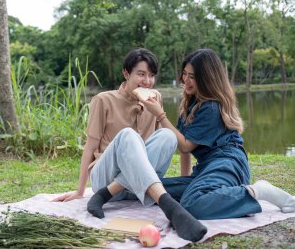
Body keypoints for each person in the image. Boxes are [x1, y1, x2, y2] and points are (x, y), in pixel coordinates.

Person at [52, 48, 207, 242]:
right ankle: (169, 206)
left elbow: (159, 143)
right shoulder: (103, 100)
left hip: (138, 187)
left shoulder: (155, 98)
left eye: (151, 76)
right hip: (104, 178)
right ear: (126, 73)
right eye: (141, 74)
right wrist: (80, 191)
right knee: (128, 135)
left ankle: (105, 196)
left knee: (168, 135)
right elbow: (90, 148)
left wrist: (156, 110)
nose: (147, 81)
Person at [138, 48, 295, 220]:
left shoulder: (211, 107)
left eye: (193, 76)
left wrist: (159, 114)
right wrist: (187, 181)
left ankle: (258, 191)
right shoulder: (191, 103)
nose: (186, 80)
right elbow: (185, 148)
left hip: (227, 164)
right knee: (155, 190)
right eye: (185, 74)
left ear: (206, 79)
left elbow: (185, 146)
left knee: (192, 204)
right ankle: (209, 194)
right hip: (206, 169)